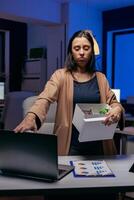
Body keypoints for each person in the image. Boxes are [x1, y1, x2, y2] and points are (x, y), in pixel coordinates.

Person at [14, 29, 124, 157]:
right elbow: (45, 97)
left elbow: (114, 103)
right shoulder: (60, 75)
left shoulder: (101, 78)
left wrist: (117, 110)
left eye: (86, 48)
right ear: (71, 52)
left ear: (92, 52)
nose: (81, 52)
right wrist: (31, 116)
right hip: (70, 147)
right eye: (77, 48)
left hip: (100, 145)